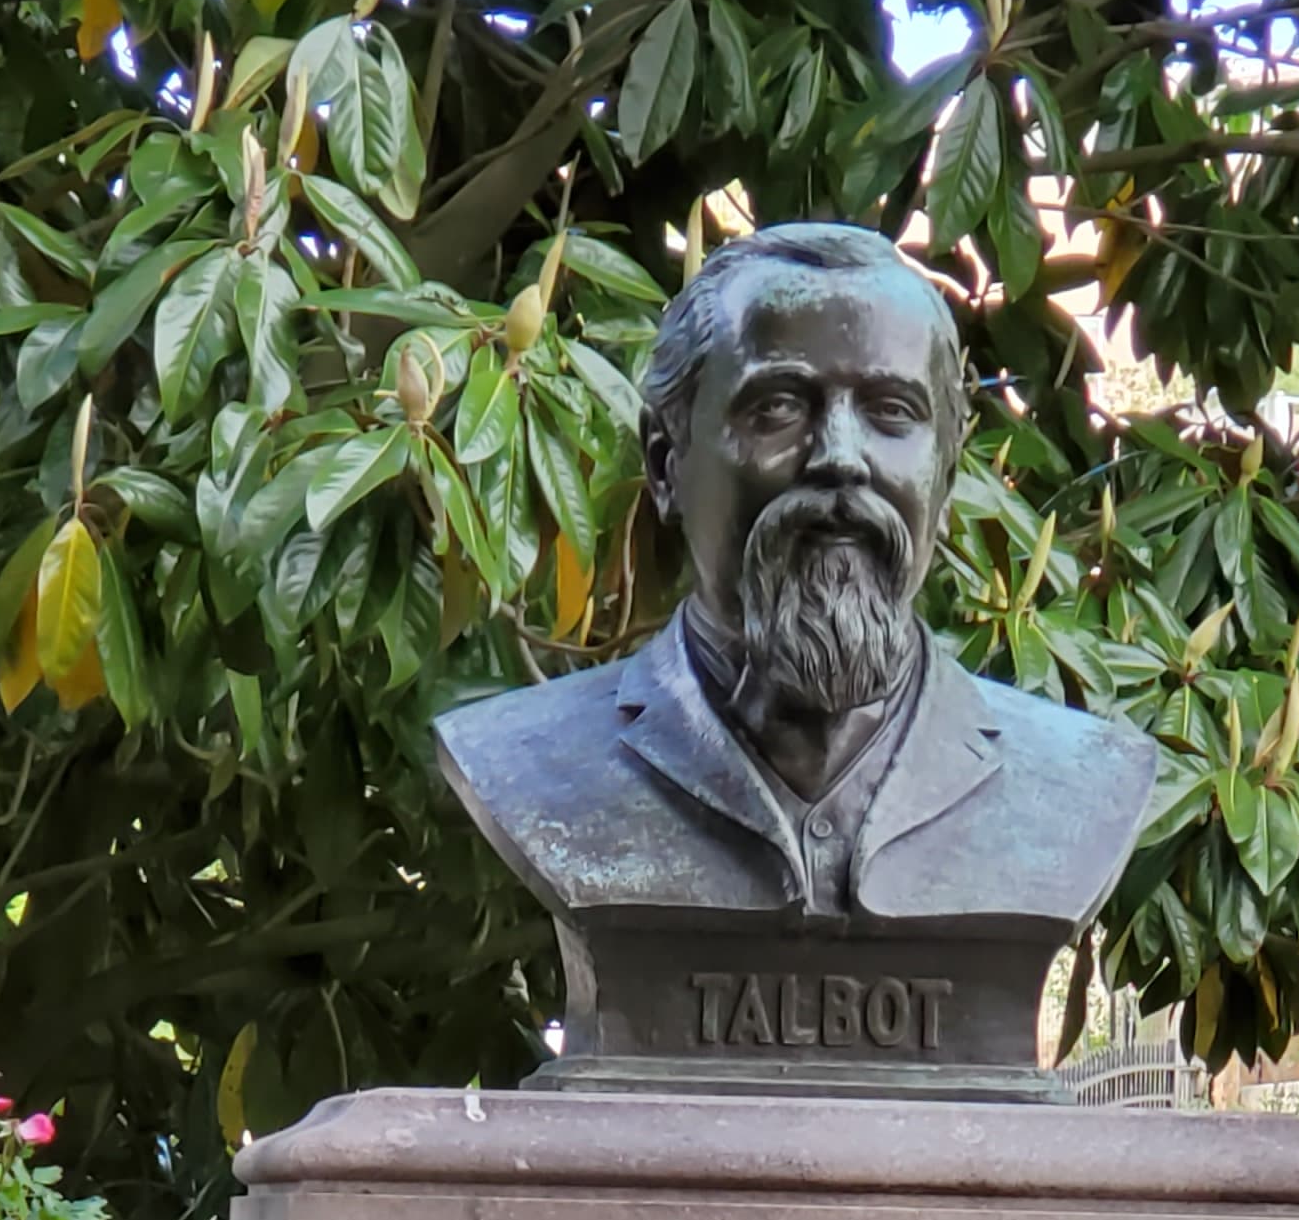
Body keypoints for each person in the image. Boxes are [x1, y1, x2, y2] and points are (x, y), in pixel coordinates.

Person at [436, 222, 1154, 1085]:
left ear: (946, 471)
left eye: (892, 413)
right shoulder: (527, 764)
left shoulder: (1084, 782)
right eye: (778, 406)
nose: (840, 460)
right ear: (666, 464)